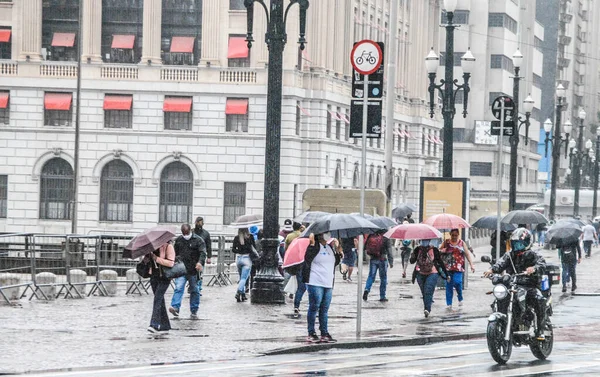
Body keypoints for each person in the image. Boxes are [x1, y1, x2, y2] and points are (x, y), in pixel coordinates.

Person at [483, 228, 548, 340]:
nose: (517, 246)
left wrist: (534, 268)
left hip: (530, 285)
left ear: (527, 243)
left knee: (539, 299)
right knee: (500, 297)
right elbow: (500, 263)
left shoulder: (533, 254)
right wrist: (491, 270)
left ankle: (540, 329)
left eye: (520, 243)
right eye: (515, 243)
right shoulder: (510, 255)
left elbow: (542, 264)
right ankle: (505, 320)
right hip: (513, 284)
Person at [302, 232, 342, 343]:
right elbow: (307, 258)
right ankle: (311, 332)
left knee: (324, 309)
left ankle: (324, 332)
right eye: (325, 234)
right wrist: (311, 244)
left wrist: (338, 249)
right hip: (315, 281)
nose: (327, 236)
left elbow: (334, 262)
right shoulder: (314, 246)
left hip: (328, 282)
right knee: (314, 306)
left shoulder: (330, 247)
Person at [168, 224, 206, 320]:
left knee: (194, 290)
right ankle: (175, 307)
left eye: (187, 233)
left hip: (193, 269)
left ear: (190, 231)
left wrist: (200, 262)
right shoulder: (179, 240)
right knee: (178, 287)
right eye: (183, 233)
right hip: (181, 269)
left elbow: (202, 253)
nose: (185, 235)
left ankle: (194, 310)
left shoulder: (198, 240)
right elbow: (174, 254)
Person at [410, 239, 449, 318]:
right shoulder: (417, 249)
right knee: (424, 292)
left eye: (426, 240)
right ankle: (427, 307)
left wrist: (446, 274)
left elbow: (440, 262)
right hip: (420, 274)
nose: (425, 242)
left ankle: (427, 309)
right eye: (423, 240)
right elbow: (412, 261)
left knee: (428, 289)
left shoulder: (434, 250)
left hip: (432, 273)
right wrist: (413, 256)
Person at [440, 229, 475, 310]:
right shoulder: (446, 242)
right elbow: (439, 251)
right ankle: (449, 304)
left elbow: (467, 254)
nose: (454, 237)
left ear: (458, 235)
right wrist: (442, 250)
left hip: (458, 267)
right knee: (449, 285)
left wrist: (471, 265)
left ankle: (460, 296)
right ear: (450, 234)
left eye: (456, 235)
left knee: (457, 282)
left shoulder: (462, 243)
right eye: (453, 235)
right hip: (448, 267)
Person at [146, 242, 175, 334]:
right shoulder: (151, 248)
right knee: (160, 300)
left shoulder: (168, 247)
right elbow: (148, 262)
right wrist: (146, 257)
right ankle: (165, 325)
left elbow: (171, 263)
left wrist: (156, 259)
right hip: (154, 277)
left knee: (157, 299)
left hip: (164, 277)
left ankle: (154, 324)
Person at [362, 230, 394, 302]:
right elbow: (389, 250)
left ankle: (367, 289)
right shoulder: (386, 237)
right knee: (383, 278)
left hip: (373, 259)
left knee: (371, 276)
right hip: (383, 259)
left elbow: (364, 247)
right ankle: (382, 296)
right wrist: (391, 261)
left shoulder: (371, 235)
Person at [232, 228, 256, 302]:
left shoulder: (236, 237)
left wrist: (239, 250)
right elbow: (254, 248)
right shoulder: (250, 237)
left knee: (241, 277)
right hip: (247, 258)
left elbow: (233, 249)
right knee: (244, 278)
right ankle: (239, 291)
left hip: (239, 258)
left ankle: (242, 295)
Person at [193, 216, 212, 295]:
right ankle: (194, 287)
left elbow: (208, 245)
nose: (201, 223)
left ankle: (198, 287)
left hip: (201, 255)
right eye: (200, 222)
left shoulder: (206, 233)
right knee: (193, 273)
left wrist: (209, 257)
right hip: (193, 255)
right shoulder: (192, 232)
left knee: (200, 272)